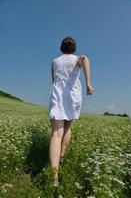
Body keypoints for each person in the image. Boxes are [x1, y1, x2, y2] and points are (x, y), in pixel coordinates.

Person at [48, 36, 94, 187]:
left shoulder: (54, 62)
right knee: (67, 127)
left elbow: (53, 80)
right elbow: (85, 58)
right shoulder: (76, 59)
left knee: (56, 134)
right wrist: (88, 83)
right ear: (74, 48)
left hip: (57, 95)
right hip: (72, 95)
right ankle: (61, 156)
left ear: (61, 47)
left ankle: (54, 177)